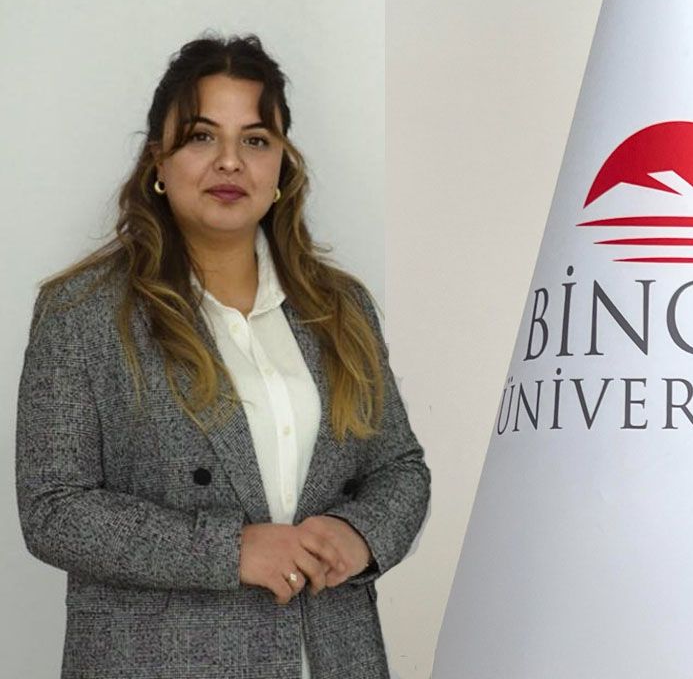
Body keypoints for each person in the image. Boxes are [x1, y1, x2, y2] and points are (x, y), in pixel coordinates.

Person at [15, 35, 430, 678]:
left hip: (334, 659)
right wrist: (228, 550)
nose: (231, 162)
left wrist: (360, 535)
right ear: (159, 160)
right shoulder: (84, 312)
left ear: (282, 165)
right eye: (202, 136)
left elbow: (399, 466)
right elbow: (53, 508)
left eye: (256, 140)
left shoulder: (340, 308)